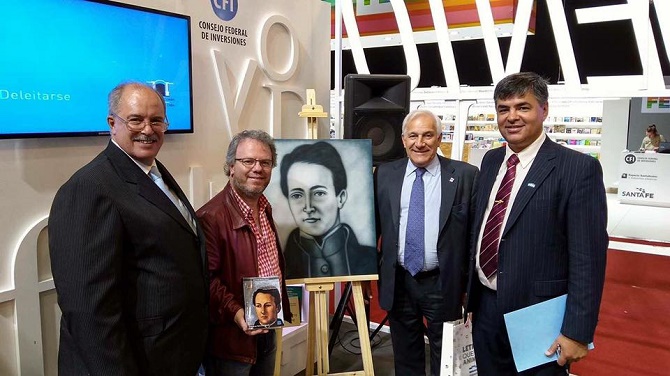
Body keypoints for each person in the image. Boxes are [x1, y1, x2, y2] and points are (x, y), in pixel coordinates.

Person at [48, 82, 208, 375]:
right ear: (112, 124)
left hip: (171, 354)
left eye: (157, 120)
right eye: (135, 119)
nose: (148, 129)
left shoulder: (152, 172)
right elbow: (88, 310)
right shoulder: (88, 188)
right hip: (133, 362)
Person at [465, 72, 608, 375]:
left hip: (538, 316)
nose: (512, 117)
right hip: (487, 309)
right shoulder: (490, 161)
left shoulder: (577, 169)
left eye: (523, 107)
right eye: (504, 109)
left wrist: (577, 332)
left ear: (544, 110)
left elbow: (588, 259)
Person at [374, 109, 479, 375]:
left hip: (443, 283)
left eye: (427, 135)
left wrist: (469, 287)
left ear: (439, 138)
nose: (420, 142)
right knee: (405, 354)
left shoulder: (466, 175)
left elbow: (472, 237)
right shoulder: (384, 174)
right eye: (413, 135)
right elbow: (374, 226)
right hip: (399, 281)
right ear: (403, 139)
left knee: (447, 356)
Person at [196, 130, 292, 376]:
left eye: (265, 162)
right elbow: (206, 280)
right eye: (248, 161)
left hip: (266, 327)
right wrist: (238, 313)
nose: (257, 168)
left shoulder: (263, 207)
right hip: (232, 340)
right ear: (230, 166)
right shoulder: (211, 217)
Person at [280, 141, 377, 279]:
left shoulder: (370, 259)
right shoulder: (278, 262)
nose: (308, 207)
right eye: (297, 195)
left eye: (319, 193)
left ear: (341, 198)